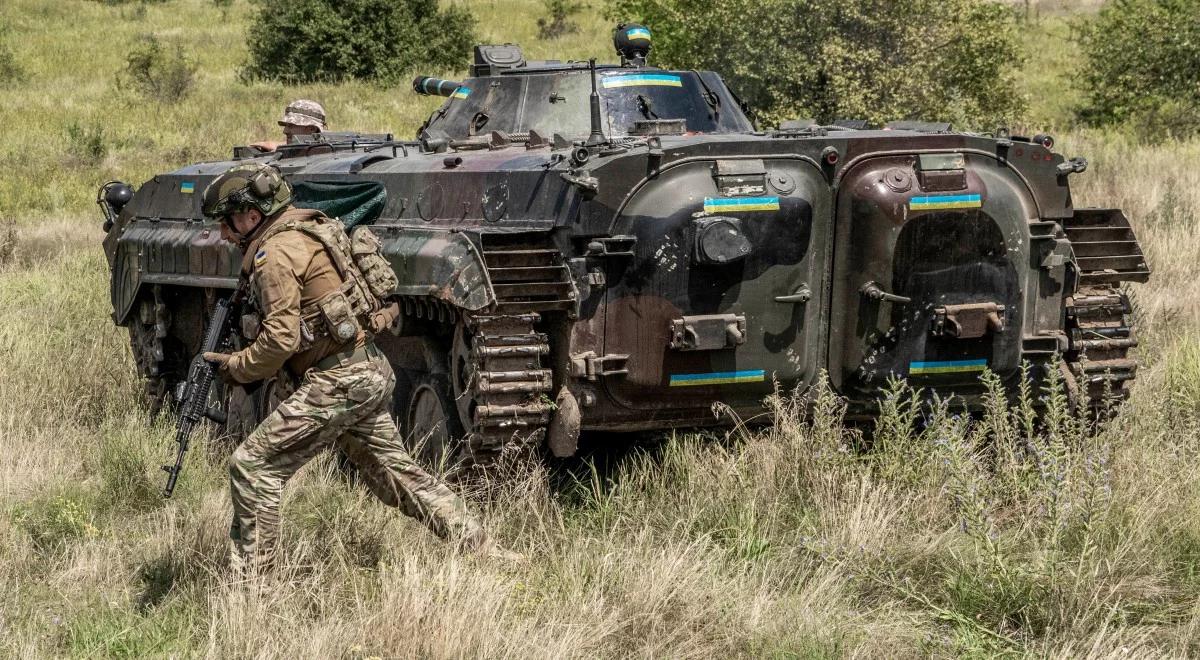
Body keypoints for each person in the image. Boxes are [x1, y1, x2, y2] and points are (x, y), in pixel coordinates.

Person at [199, 163, 520, 574]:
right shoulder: (312, 230)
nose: (224, 234)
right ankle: (483, 548)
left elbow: (279, 341)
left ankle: (254, 587)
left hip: (339, 382)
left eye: (226, 222)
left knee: (253, 465)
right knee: (396, 476)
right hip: (365, 370)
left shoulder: (274, 255)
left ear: (252, 216)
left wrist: (236, 367)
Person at [250, 99, 327, 153]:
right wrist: (279, 146)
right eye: (286, 125)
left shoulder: (328, 153)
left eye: (291, 125)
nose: (285, 131)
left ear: (312, 129)